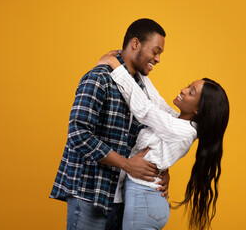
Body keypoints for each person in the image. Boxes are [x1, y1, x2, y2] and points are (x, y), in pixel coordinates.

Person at [50, 18, 171, 230]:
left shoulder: (141, 91)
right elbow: (78, 133)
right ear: (135, 44)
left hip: (125, 200)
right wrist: (127, 164)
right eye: (155, 51)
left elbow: (149, 137)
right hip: (89, 195)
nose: (158, 59)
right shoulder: (99, 77)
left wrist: (161, 171)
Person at [97, 52, 230, 230]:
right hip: (145, 199)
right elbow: (155, 100)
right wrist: (133, 64)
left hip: (143, 201)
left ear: (199, 110)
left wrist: (115, 65)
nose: (183, 90)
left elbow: (145, 109)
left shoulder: (183, 131)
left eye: (191, 93)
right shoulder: (178, 122)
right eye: (189, 85)